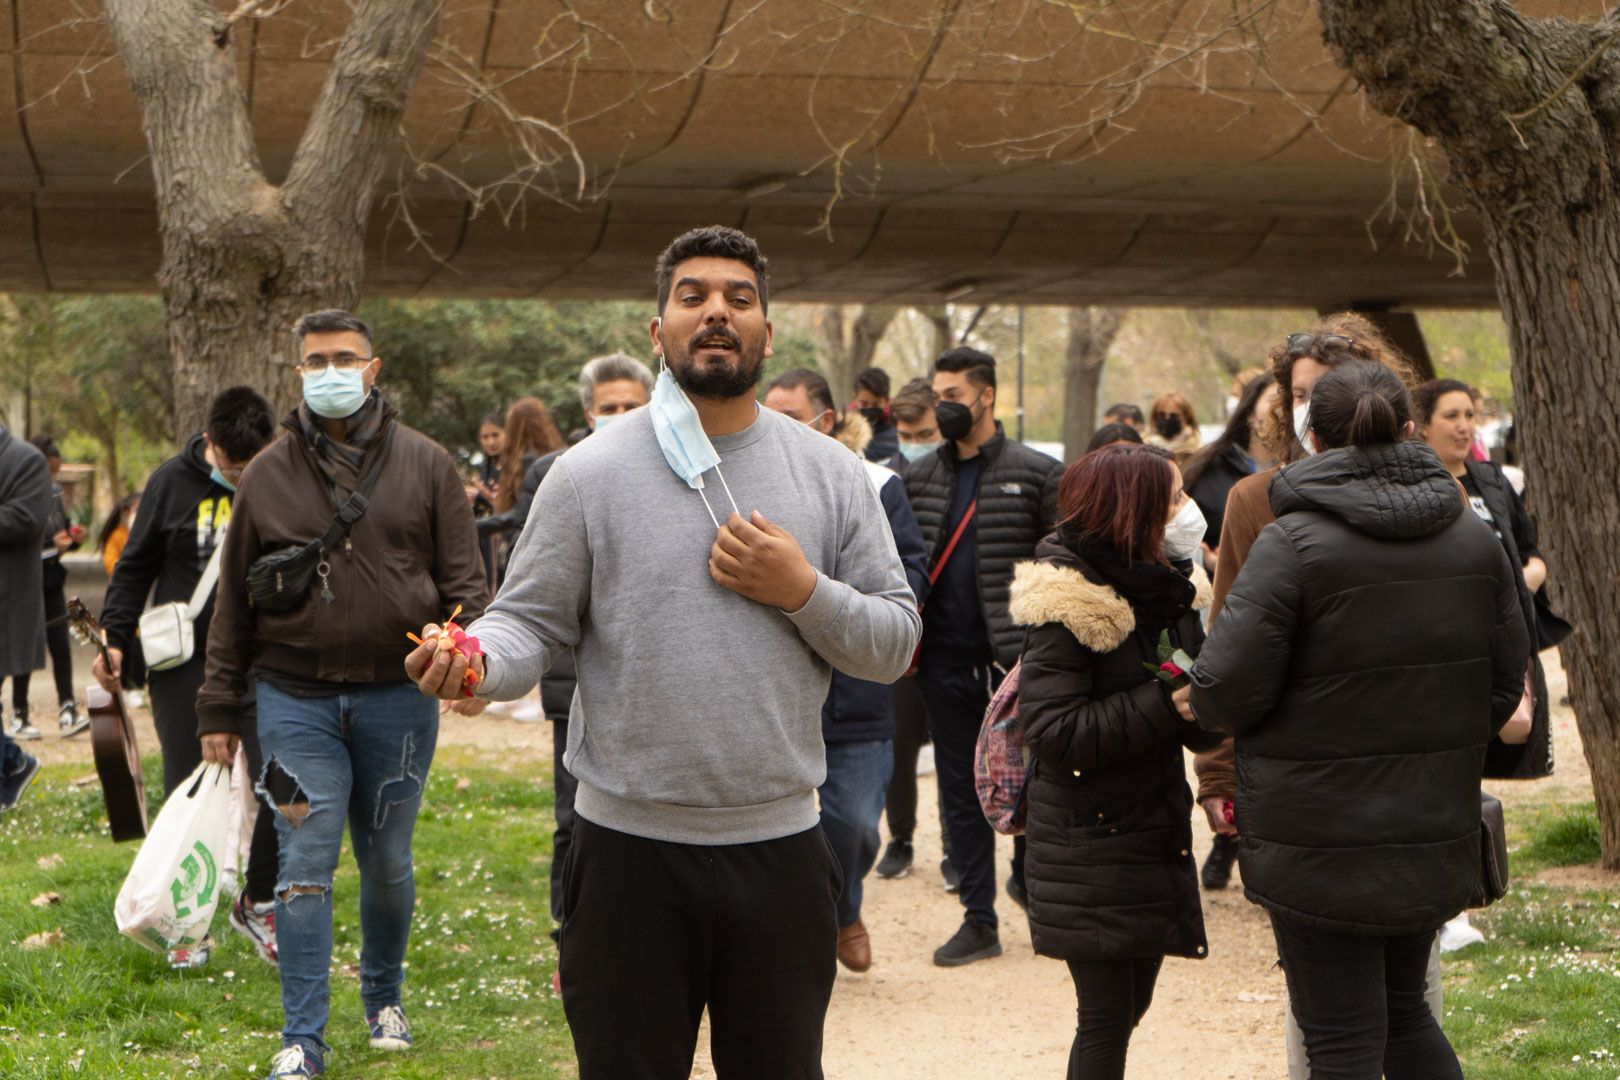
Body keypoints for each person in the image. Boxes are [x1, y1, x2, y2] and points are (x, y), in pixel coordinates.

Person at [409, 225, 919, 1078]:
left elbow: (894, 645)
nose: (716, 311)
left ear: (767, 331)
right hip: (625, 859)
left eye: (739, 298)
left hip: (783, 853)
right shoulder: (586, 474)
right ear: (659, 332)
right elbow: (527, 623)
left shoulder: (831, 474)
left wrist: (802, 589)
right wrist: (473, 659)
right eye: (693, 297)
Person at [1188, 360, 1530, 1080]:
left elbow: (1221, 692)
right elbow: (1504, 691)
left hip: (1314, 833)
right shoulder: (1472, 540)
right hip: (1430, 820)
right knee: (1407, 1014)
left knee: (1341, 1038)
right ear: (1408, 430)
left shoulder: (1293, 544)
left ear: (1313, 436)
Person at [197, 310, 489, 1080]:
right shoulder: (265, 474)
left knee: (387, 858)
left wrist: (467, 664)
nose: (330, 370)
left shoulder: (428, 466)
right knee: (302, 857)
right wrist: (219, 708)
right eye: (314, 360)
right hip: (291, 704)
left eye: (344, 357)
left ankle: (384, 996)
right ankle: (303, 1040)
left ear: (373, 366)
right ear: (297, 373)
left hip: (398, 705)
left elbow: (468, 590)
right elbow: (232, 603)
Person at [1011, 443, 1218, 1080]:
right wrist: (1168, 705)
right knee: (1105, 1019)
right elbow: (1051, 730)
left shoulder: (1168, 587)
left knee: (1132, 1004)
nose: (1189, 510)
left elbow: (1191, 704)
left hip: (1148, 829)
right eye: (1175, 499)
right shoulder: (1068, 602)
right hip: (1088, 837)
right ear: (1135, 512)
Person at [95, 387, 280, 969]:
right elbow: (134, 567)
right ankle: (186, 926)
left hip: (264, 658)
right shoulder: (169, 484)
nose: (240, 474)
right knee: (189, 789)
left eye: (249, 465)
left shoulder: (278, 478)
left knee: (280, 781)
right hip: (184, 665)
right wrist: (114, 638)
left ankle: (259, 900)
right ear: (209, 442)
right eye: (232, 464)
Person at [764, 367, 929, 971]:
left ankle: (844, 907)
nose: (771, 427)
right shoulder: (736, 485)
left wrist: (822, 596)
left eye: (788, 414)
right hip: (772, 688)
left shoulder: (878, 483)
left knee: (855, 826)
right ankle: (795, 935)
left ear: (824, 421)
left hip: (857, 692)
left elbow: (909, 577)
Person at [904, 345, 1064, 966]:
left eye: (952, 396)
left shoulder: (1038, 471)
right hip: (943, 662)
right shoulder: (917, 478)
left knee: (1035, 785)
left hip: (1016, 666)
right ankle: (979, 918)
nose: (943, 406)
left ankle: (1034, 886)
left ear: (986, 395)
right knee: (958, 790)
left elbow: (1059, 568)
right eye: (937, 395)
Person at [509, 351, 655, 936]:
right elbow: (534, 587)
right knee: (574, 814)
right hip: (576, 683)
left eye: (631, 407)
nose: (619, 415)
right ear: (588, 413)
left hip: (651, 674)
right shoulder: (555, 474)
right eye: (608, 408)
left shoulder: (686, 469)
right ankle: (569, 927)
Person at [1412, 379, 1555, 780]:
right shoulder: (1412, 487)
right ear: (1422, 425)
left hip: (1504, 639)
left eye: (1470, 415)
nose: (1464, 426)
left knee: (1506, 743)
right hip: (1444, 643)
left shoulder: (1492, 479)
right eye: (1451, 416)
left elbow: (1532, 551)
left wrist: (1524, 580)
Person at [876, 373, 941, 881]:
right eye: (907, 436)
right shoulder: (880, 480)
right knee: (899, 745)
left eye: (925, 435)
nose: (915, 446)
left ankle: (958, 852)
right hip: (902, 635)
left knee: (958, 750)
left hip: (951, 633)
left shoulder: (959, 478)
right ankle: (900, 838)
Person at [7, 436, 87, 739]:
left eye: (55, 473)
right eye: (49, 471)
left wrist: (70, 541)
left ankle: (68, 708)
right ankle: (18, 714)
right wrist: (52, 546)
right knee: (22, 646)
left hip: (52, 578)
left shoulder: (53, 493)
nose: (52, 478)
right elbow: (24, 536)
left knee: (60, 644)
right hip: (25, 580)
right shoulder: (18, 488)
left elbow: (59, 529)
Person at [1183, 373, 1278, 582]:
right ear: (1250, 412)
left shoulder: (1302, 469)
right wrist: (1211, 564)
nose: (1282, 408)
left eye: (1291, 399)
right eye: (1274, 399)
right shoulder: (1207, 469)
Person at [0, 424, 49, 810]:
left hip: (7, 604)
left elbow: (24, 519)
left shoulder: (26, 460)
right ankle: (14, 763)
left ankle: (14, 765)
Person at [476, 397, 565, 582]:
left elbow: (522, 514)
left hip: (528, 556)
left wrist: (474, 527)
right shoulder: (557, 456)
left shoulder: (526, 462)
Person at [469, 412, 505, 593]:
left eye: (495, 435)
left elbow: (504, 502)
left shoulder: (513, 463)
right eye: (485, 437)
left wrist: (479, 495)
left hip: (504, 537)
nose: (490, 442)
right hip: (484, 536)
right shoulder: (485, 465)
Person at [851, 365, 900, 465]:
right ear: (855, 398)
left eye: (876, 404)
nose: (870, 408)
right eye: (864, 404)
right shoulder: (843, 428)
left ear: (887, 401)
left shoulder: (898, 430)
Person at [1144, 393, 1201, 464]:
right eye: (1161, 415)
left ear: (1186, 417)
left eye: (1174, 415)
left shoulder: (1197, 451)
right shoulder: (1142, 449)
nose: (1167, 419)